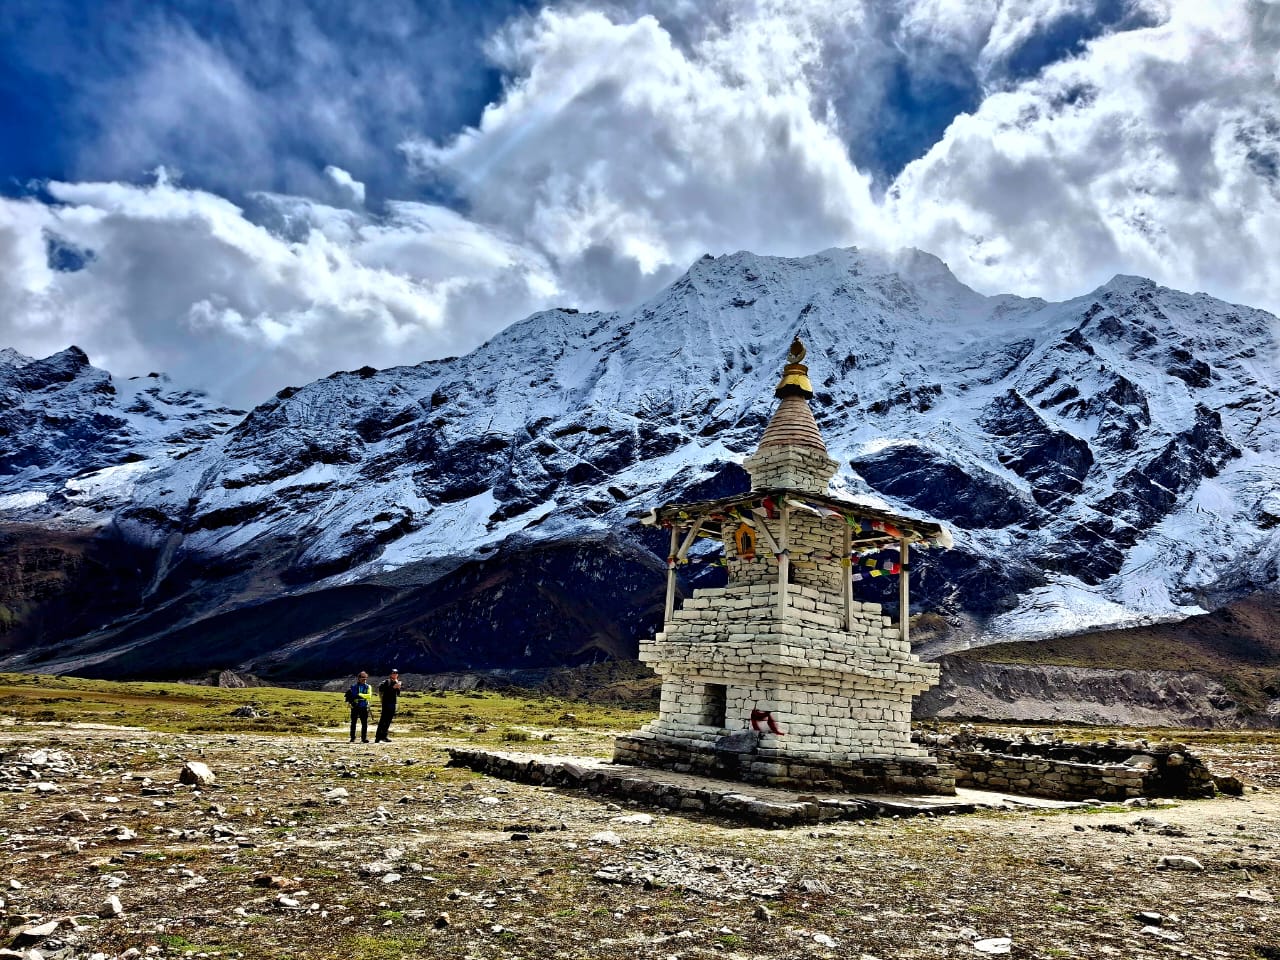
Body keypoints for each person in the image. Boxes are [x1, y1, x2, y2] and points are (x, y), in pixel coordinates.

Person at [374, 669, 402, 742]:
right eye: (393, 673)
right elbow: (382, 689)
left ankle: (384, 736)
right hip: (386, 703)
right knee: (383, 720)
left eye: (396, 673)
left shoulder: (396, 682)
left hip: (393, 703)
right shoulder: (387, 682)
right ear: (390, 674)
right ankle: (378, 737)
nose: (395, 674)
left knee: (388, 720)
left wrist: (398, 687)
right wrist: (393, 687)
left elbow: (398, 694)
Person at [346, 671, 372, 743]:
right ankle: (352, 737)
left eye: (365, 678)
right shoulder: (354, 686)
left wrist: (359, 695)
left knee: (364, 723)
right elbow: (354, 695)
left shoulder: (368, 686)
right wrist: (363, 695)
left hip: (364, 706)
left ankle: (364, 738)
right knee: (353, 722)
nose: (364, 679)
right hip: (355, 706)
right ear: (359, 678)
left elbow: (369, 696)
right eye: (363, 678)